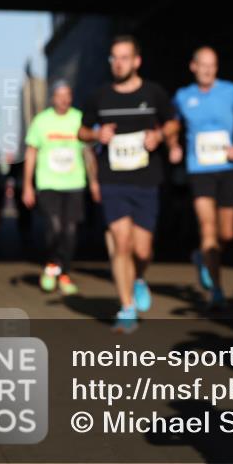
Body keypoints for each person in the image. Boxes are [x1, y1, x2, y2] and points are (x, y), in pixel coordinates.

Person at [79, 35, 178, 333]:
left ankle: (138, 278)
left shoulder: (154, 92)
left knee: (142, 250)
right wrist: (97, 135)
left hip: (146, 179)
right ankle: (126, 308)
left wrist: (159, 136)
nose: (118, 63)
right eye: (114, 58)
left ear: (137, 61)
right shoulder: (99, 97)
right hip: (113, 179)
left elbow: (173, 122)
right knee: (121, 242)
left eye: (124, 57)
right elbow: (82, 131)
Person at [168, 47, 233, 309]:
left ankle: (203, 257)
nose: (207, 70)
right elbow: (171, 124)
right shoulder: (183, 96)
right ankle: (216, 289)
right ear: (193, 66)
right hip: (199, 170)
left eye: (212, 65)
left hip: (228, 168)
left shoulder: (231, 91)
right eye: (203, 65)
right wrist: (173, 145)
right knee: (207, 227)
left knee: (227, 233)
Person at [24, 81, 101, 296]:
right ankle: (52, 264)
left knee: (70, 231)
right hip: (48, 183)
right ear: (53, 98)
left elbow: (87, 152)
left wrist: (94, 182)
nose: (64, 99)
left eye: (68, 95)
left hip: (74, 183)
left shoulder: (79, 119)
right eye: (60, 95)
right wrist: (27, 185)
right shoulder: (41, 121)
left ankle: (64, 272)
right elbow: (31, 153)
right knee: (54, 227)